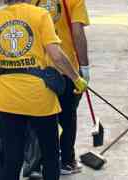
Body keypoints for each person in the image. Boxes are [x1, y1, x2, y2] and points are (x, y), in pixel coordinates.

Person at [0, 0, 88, 179]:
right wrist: (76, 78)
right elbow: (56, 56)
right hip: (39, 99)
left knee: (12, 158)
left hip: (7, 100)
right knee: (50, 155)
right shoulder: (40, 15)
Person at [29, 0, 91, 175]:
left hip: (37, 67)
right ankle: (66, 161)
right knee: (67, 116)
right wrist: (84, 67)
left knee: (40, 116)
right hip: (65, 67)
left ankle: (37, 162)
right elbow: (77, 33)